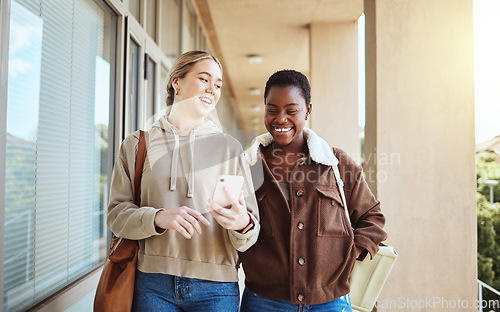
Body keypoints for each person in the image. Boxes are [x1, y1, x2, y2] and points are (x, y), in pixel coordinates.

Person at [107, 50, 259, 312]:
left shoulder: (229, 148)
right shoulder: (137, 145)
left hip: (216, 288)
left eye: (218, 84)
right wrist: (157, 218)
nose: (212, 89)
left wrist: (242, 223)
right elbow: (116, 215)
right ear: (176, 82)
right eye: (204, 79)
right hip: (152, 283)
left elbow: (251, 228)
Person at [239, 70, 387, 311]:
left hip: (330, 302)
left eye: (291, 110)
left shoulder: (337, 164)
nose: (281, 119)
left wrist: (349, 256)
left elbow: (373, 219)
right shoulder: (249, 167)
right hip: (263, 301)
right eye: (272, 109)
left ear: (307, 110)